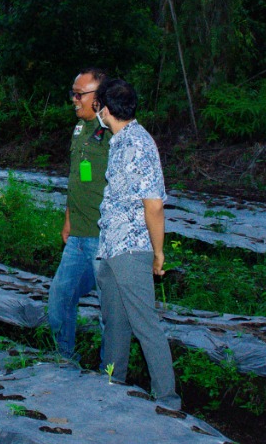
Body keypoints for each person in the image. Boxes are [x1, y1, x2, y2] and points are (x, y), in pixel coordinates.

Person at [92, 78, 179, 408]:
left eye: (97, 105)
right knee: (115, 323)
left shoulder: (139, 144)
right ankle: (111, 383)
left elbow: (153, 204)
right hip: (111, 248)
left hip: (131, 249)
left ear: (106, 109)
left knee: (145, 324)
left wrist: (158, 253)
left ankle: (167, 401)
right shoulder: (119, 141)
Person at [47, 68, 110, 360]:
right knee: (59, 300)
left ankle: (108, 379)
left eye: (79, 94)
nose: (74, 99)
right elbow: (76, 178)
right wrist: (68, 220)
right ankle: (65, 362)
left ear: (99, 97)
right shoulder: (79, 129)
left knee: (110, 314)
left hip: (104, 239)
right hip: (77, 237)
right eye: (73, 92)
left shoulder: (114, 130)